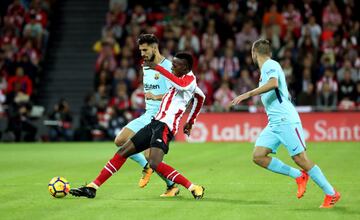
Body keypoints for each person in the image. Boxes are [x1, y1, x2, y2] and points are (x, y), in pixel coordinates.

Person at [70, 52, 206, 199]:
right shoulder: (181, 79)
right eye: (171, 64)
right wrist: (190, 121)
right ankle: (92, 187)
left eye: (175, 65)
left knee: (154, 162)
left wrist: (157, 68)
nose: (172, 67)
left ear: (185, 67)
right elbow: (200, 97)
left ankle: (193, 187)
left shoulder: (189, 80)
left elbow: (184, 86)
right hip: (155, 123)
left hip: (166, 127)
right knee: (123, 151)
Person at [231, 39, 340, 208]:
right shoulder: (266, 69)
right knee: (258, 156)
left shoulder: (269, 64)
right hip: (274, 122)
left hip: (285, 120)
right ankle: (298, 175)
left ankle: (331, 193)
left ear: (254, 53)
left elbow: (274, 84)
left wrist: (248, 94)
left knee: (300, 158)